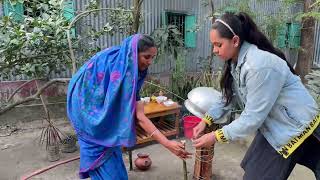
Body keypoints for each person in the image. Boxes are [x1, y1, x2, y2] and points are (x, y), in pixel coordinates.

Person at [192, 12, 320, 180]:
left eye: (218, 45)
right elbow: (227, 97)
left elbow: (251, 119)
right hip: (277, 124)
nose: (215, 50)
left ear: (235, 41)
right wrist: (206, 120)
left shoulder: (258, 66)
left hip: (296, 126)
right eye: (213, 45)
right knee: (253, 167)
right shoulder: (235, 63)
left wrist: (215, 136)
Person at [67, 34, 191, 180]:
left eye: (153, 57)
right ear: (133, 53)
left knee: (111, 156)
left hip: (102, 119)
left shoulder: (127, 64)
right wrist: (167, 143)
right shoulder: (121, 70)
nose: (150, 62)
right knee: (107, 171)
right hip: (88, 119)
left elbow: (136, 111)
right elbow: (140, 117)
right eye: (146, 57)